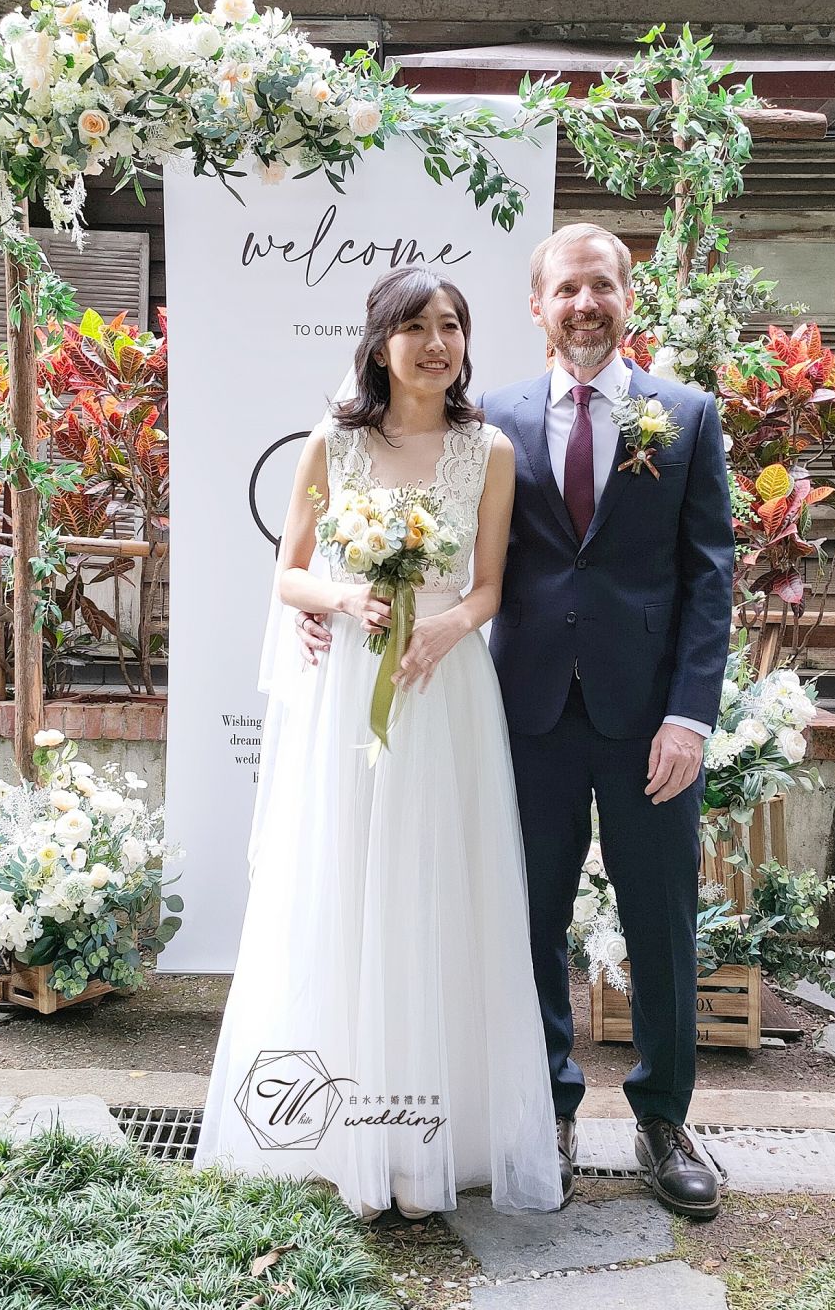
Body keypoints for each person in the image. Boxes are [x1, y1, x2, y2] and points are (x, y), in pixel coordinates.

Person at [298, 224, 735, 1220]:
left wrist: (689, 717)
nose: (585, 304)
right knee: (523, 921)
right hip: (523, 713)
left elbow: (710, 580)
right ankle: (548, 1111)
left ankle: (665, 1121)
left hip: (648, 723)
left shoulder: (686, 416)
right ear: (536, 306)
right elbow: (411, 539)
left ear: (628, 298)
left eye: (602, 286)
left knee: (661, 921)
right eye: (565, 289)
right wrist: (327, 610)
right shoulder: (487, 422)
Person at [192, 265, 562, 1221]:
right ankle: (339, 1132)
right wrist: (346, 595)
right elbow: (289, 575)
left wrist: (447, 625)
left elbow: (488, 587)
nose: (437, 345)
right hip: (350, 687)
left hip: (444, 687)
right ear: (381, 342)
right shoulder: (334, 441)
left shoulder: (489, 451)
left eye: (452, 327)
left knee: (435, 888)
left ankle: (436, 1138)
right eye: (416, 327)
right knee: (346, 881)